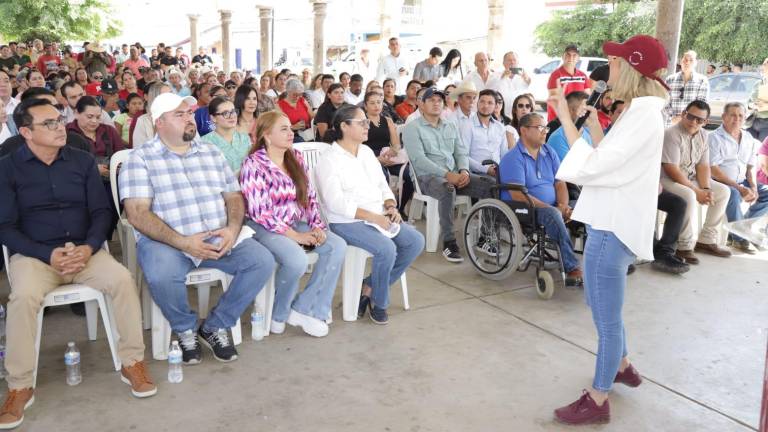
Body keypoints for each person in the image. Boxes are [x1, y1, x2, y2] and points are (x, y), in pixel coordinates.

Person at [0, 98, 157, 429]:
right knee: (23, 297)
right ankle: (19, 386)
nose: (60, 127)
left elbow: (102, 211)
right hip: (36, 255)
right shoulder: (7, 168)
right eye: (50, 124)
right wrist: (48, 255)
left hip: (85, 251)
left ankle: (133, 362)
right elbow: (5, 226)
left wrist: (88, 248)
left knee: (122, 280)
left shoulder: (82, 161)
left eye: (59, 120)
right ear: (26, 131)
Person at [550, 34, 670, 425]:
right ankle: (622, 365)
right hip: (612, 220)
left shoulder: (644, 115)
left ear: (631, 68)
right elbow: (602, 156)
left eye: (616, 62)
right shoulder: (640, 111)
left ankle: (599, 397)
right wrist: (575, 121)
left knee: (605, 316)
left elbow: (595, 166)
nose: (608, 69)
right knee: (602, 305)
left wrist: (566, 118)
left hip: (611, 224)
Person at [120, 92, 275, 365]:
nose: (190, 119)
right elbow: (137, 213)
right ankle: (184, 328)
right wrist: (182, 242)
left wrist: (232, 229)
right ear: (160, 123)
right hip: (167, 240)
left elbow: (234, 196)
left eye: (190, 113)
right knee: (161, 274)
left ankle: (216, 324)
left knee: (261, 261)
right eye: (180, 115)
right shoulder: (140, 159)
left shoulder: (210, 151)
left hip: (218, 234)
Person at [315, 105, 424, 324]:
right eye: (362, 122)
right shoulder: (329, 159)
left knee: (415, 241)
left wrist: (391, 206)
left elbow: (382, 186)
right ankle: (379, 301)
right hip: (347, 221)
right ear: (344, 126)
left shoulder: (365, 153)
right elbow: (335, 203)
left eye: (367, 122)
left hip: (378, 215)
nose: (368, 126)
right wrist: (374, 217)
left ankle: (370, 285)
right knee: (386, 249)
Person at [240, 111, 345, 336]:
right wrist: (295, 236)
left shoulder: (295, 156)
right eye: (284, 129)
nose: (291, 133)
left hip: (297, 222)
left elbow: (309, 196)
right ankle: (280, 312)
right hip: (265, 226)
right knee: (296, 259)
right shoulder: (253, 163)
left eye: (290, 128)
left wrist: (317, 226)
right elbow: (260, 212)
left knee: (336, 246)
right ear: (267, 136)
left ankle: (306, 308)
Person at [403, 87, 494, 262]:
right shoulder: (412, 128)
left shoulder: (450, 125)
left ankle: (485, 236)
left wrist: (464, 171)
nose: (436, 103)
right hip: (426, 178)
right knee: (447, 188)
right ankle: (449, 241)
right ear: (421, 104)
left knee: (490, 184)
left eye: (439, 100)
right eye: (431, 100)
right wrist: (447, 175)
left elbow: (461, 153)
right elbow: (419, 160)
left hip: (454, 174)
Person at [499, 112, 583, 281]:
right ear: (523, 130)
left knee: (586, 205)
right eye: (540, 127)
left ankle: (596, 260)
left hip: (553, 206)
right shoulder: (513, 158)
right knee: (553, 214)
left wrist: (563, 205)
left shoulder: (548, 151)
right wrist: (554, 209)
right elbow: (518, 194)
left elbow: (560, 183)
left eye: (545, 127)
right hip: (525, 208)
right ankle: (571, 266)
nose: (545, 131)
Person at [660, 99, 731, 263]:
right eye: (691, 117)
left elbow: (703, 166)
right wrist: (696, 191)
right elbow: (672, 169)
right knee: (689, 195)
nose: (694, 122)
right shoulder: (672, 134)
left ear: (706, 122)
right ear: (684, 114)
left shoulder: (704, 135)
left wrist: (705, 188)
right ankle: (683, 246)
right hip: (667, 179)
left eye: (699, 120)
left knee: (722, 191)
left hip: (690, 178)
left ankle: (706, 240)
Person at [708, 102, 767, 253]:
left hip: (742, 179)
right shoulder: (714, 137)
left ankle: (741, 226)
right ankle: (740, 238)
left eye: (741, 115)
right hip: (720, 181)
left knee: (765, 191)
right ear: (723, 117)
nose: (737, 119)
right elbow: (714, 170)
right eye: (732, 115)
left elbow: (751, 166)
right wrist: (739, 188)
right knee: (733, 194)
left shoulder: (747, 137)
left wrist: (753, 186)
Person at [362, 90, 413, 215]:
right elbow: (358, 147)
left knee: (410, 175)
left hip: (388, 155)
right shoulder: (362, 121)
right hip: (369, 156)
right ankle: (382, 211)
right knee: (382, 177)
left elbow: (396, 144)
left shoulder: (388, 120)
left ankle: (399, 209)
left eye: (379, 102)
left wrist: (393, 151)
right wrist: (377, 159)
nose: (376, 106)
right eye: (372, 103)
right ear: (365, 105)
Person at [0, 87, 92, 157]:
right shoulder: (10, 149)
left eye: (57, 107)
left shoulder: (77, 142)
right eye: (45, 107)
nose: (52, 111)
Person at [463, 89, 508, 176]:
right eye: (482, 102)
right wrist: (486, 169)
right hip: (476, 174)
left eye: (490, 103)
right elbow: (463, 156)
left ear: (495, 106)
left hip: (499, 173)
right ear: (477, 103)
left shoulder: (500, 127)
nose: (485, 105)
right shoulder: (467, 125)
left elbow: (504, 155)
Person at [202, 96, 251, 174]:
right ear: (213, 118)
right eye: (225, 113)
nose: (232, 116)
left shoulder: (244, 138)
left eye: (233, 111)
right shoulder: (204, 143)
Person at [546, 44, 589, 122]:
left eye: (574, 55)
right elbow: (554, 99)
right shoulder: (556, 75)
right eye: (568, 54)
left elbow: (587, 97)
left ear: (578, 58)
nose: (571, 57)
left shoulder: (583, 76)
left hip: (576, 117)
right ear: (563, 57)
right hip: (558, 119)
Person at [664, 50, 709, 125]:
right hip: (672, 123)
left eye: (691, 60)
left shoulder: (702, 80)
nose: (687, 62)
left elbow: (702, 104)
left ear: (695, 63)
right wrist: (672, 119)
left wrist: (685, 117)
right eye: (685, 59)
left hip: (692, 123)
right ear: (681, 61)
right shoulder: (670, 79)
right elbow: (665, 101)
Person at [546, 91, 593, 161]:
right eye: (584, 109)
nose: (589, 113)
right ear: (570, 110)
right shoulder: (558, 137)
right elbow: (573, 167)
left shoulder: (588, 133)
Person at [488, 51, 531, 118]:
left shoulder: (523, 76)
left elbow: (530, 90)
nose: (512, 62)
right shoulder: (496, 75)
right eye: (509, 60)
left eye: (514, 60)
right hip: (501, 114)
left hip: (519, 115)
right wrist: (503, 76)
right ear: (504, 63)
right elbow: (490, 89)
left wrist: (527, 79)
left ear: (518, 62)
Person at [132, 81, 171, 148]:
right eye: (164, 96)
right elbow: (138, 150)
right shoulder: (143, 121)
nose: (169, 98)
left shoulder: (182, 116)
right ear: (154, 99)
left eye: (170, 95)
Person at [276, 78, 313, 143]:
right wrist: (293, 127)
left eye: (300, 94)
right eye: (295, 94)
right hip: (291, 137)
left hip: (308, 134)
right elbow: (278, 127)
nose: (298, 97)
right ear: (288, 91)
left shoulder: (302, 100)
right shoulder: (279, 106)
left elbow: (312, 117)